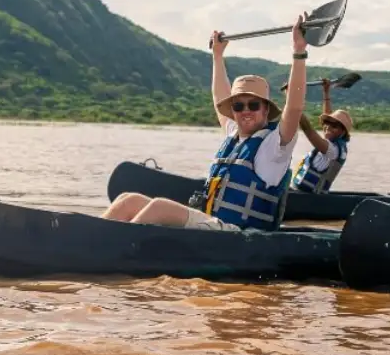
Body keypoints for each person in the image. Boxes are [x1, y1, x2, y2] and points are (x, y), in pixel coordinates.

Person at [102, 16, 308, 229]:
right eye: (238, 106)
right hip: (213, 225)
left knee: (159, 207)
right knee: (128, 200)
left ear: (265, 109)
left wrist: (299, 51)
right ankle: (90, 238)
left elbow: (294, 108)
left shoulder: (275, 145)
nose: (245, 111)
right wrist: (217, 56)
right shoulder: (233, 135)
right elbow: (220, 96)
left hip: (240, 235)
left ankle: (118, 248)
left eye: (253, 105)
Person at [292, 78, 353, 194]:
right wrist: (326, 92)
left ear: (342, 132)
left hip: (308, 196)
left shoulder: (332, 150)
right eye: (327, 123)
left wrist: (293, 99)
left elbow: (307, 129)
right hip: (304, 191)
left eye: (334, 125)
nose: (328, 127)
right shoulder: (336, 143)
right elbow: (328, 116)